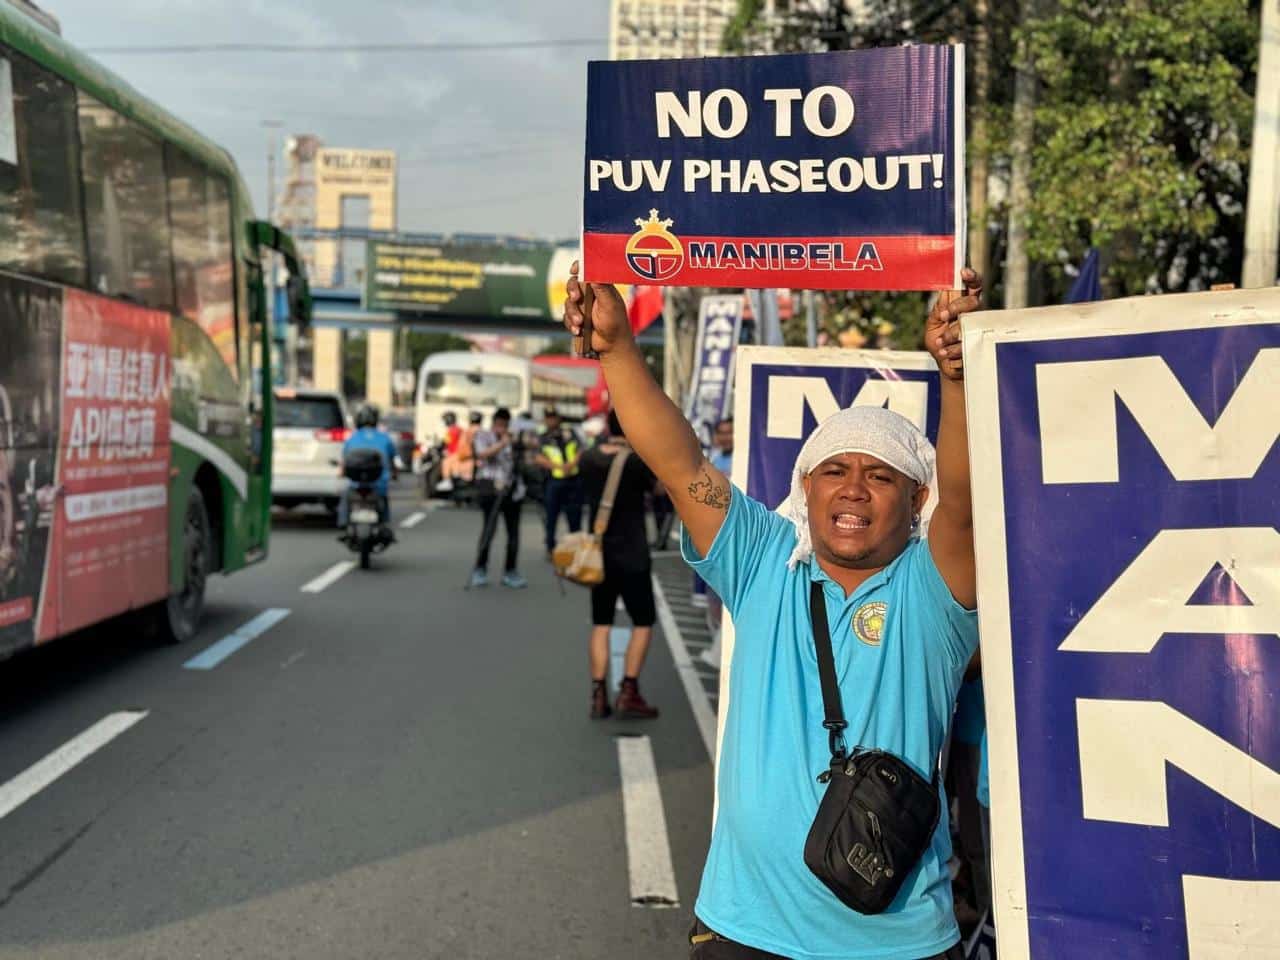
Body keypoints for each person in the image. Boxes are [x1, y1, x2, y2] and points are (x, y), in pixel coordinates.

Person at [565, 262, 983, 960]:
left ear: (915, 502)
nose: (853, 489)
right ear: (805, 488)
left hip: (897, 943)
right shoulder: (764, 560)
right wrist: (615, 349)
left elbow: (965, 506)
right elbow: (679, 463)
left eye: (881, 475)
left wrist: (957, 377)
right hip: (742, 930)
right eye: (834, 471)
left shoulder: (933, 589)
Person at [580, 409, 660, 720]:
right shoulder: (638, 462)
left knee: (601, 623)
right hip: (634, 553)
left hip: (599, 554)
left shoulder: (588, 458)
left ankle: (598, 694)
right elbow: (657, 490)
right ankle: (629, 690)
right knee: (642, 622)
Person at [469, 407, 528, 589]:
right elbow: (482, 454)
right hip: (491, 489)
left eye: (505, 425)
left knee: (513, 534)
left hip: (513, 490)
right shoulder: (483, 436)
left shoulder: (514, 438)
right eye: (499, 424)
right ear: (494, 423)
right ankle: (480, 569)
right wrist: (502, 443)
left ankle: (510, 571)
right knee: (489, 530)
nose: (501, 428)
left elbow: (527, 455)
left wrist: (520, 441)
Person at [700, 417, 734, 669]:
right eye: (721, 432)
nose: (724, 437)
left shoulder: (742, 459)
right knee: (713, 598)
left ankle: (726, 649)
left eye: (729, 432)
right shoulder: (715, 456)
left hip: (733, 537)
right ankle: (719, 643)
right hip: (712, 535)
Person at [338, 404, 398, 532]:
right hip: (379, 484)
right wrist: (394, 474)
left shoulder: (352, 438)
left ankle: (343, 522)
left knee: (345, 497)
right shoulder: (385, 438)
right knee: (383, 499)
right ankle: (384, 524)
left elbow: (344, 460)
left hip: (356, 484)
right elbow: (392, 459)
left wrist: (341, 472)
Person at [535, 404, 584, 559]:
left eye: (553, 418)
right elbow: (538, 457)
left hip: (573, 480)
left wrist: (571, 464)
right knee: (551, 517)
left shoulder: (569, 433)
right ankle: (551, 548)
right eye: (548, 418)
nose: (551, 421)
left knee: (574, 517)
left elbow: (581, 449)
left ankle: (574, 550)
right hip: (554, 481)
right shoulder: (542, 437)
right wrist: (558, 466)